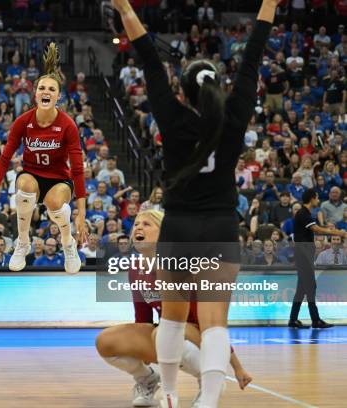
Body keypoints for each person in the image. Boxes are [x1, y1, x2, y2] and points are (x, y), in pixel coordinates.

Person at [111, 1, 276, 406]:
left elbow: (148, 54)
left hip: (180, 227)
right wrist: (269, 4)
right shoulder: (234, 116)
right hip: (220, 227)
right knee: (216, 325)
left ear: (182, 90)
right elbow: (253, 54)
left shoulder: (171, 115)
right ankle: (209, 401)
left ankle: (168, 394)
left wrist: (123, 7)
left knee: (172, 317)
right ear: (217, 85)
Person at [95, 210, 252, 407]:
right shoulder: (135, 268)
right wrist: (141, 355)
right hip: (166, 333)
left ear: (164, 234)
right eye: (136, 224)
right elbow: (142, 319)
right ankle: (148, 379)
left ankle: (209, 383)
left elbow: (210, 325)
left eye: (147, 224)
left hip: (196, 334)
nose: (139, 227)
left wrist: (237, 367)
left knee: (161, 333)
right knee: (106, 341)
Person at [0, 42, 87, 275]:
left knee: (55, 205)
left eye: (51, 89)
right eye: (42, 88)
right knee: (25, 186)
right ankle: (22, 242)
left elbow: (78, 169)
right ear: (35, 93)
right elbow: (5, 157)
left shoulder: (67, 124)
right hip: (32, 175)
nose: (46, 92)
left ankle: (68, 243)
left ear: (58, 96)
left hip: (59, 179)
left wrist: (82, 213)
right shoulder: (23, 121)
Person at [289, 189, 347, 329]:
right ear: (312, 198)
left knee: (302, 289)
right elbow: (317, 230)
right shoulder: (303, 213)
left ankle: (293, 320)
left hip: (304, 253)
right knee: (310, 286)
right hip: (303, 254)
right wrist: (337, 232)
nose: (318, 200)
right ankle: (315, 320)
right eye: (316, 198)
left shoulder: (306, 213)